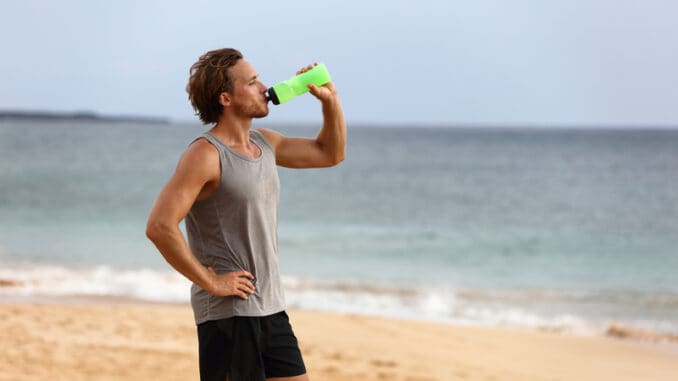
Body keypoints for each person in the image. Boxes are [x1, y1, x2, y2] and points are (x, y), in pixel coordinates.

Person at [145, 48, 346, 381]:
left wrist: (331, 101)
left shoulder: (265, 143)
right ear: (226, 98)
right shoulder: (205, 155)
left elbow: (330, 153)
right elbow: (159, 226)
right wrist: (210, 281)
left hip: (271, 308)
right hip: (230, 316)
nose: (264, 87)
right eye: (252, 82)